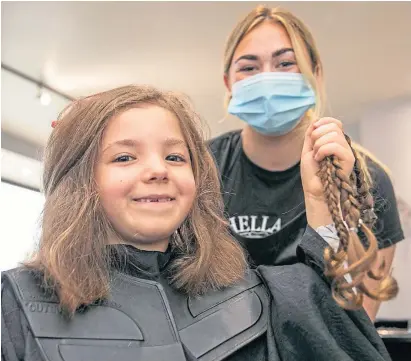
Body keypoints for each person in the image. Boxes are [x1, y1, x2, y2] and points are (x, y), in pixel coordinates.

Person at [1, 85, 395, 361]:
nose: (157, 169)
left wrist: (320, 201)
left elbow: (335, 328)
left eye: (176, 157)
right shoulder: (16, 304)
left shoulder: (255, 297)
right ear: (79, 180)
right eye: (124, 158)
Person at [208, 5, 404, 321]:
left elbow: (357, 323)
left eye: (286, 63)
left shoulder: (365, 180)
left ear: (315, 73)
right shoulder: (202, 168)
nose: (267, 78)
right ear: (229, 83)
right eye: (249, 67)